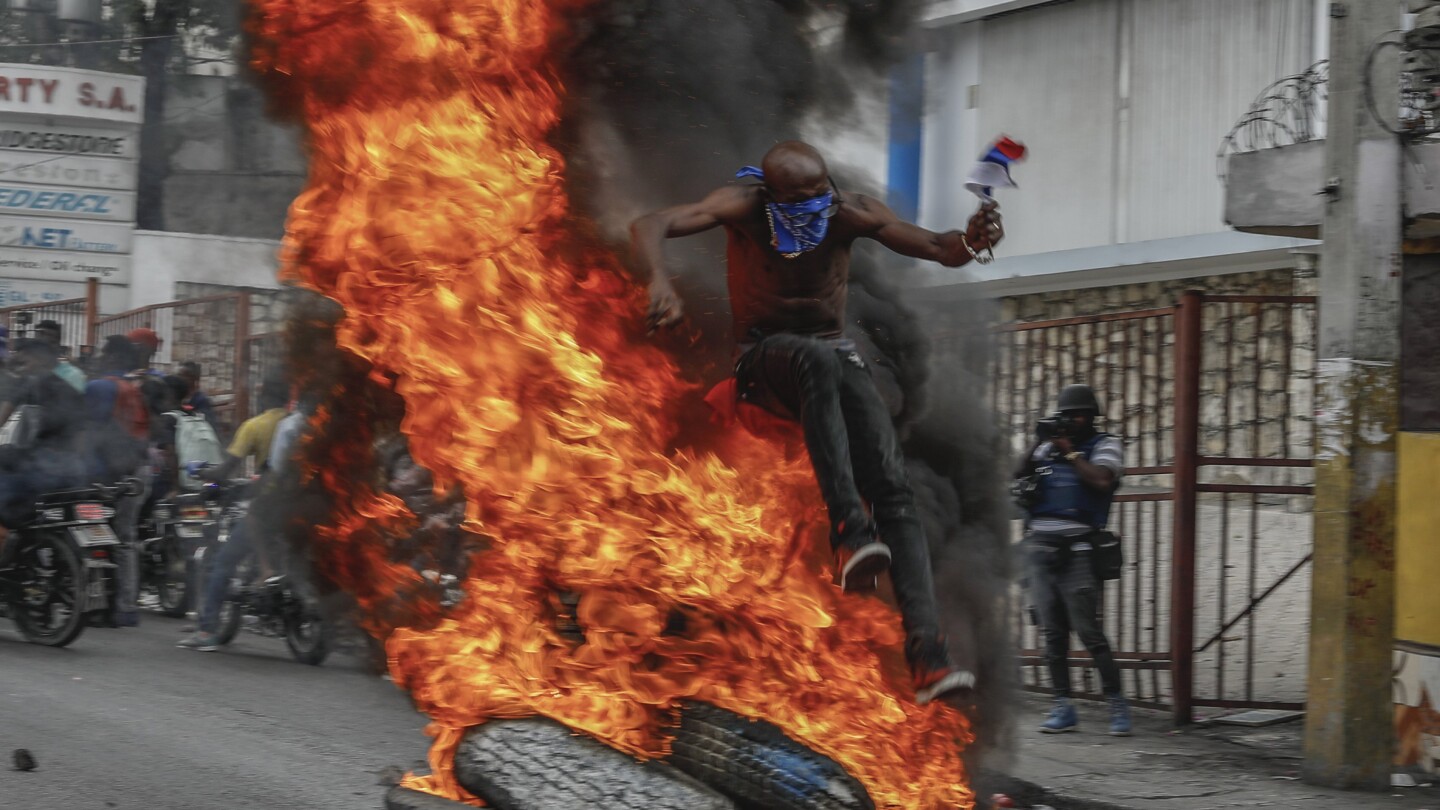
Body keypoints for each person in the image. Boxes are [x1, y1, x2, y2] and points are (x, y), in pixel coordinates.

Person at [630, 140, 1003, 706]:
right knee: (818, 357)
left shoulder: (847, 210)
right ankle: (850, 534)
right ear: (771, 195)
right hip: (764, 361)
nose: (814, 208)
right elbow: (652, 222)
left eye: (819, 196)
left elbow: (935, 245)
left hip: (831, 356)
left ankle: (928, 655)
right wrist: (660, 279)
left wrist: (970, 241)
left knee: (894, 488)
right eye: (799, 201)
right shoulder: (744, 205)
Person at [1014, 384, 1131, 736]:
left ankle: (1117, 705)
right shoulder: (1048, 447)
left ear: (1092, 416)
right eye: (1067, 415)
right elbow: (1014, 474)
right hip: (1040, 552)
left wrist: (1068, 453)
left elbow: (1101, 480)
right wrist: (1038, 443)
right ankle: (1062, 706)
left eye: (1078, 414)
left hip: (1079, 551)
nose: (1072, 420)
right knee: (1052, 635)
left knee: (1089, 633)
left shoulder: (1105, 445)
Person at [176, 380, 291, 651]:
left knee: (223, 561)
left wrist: (202, 472)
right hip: (299, 505)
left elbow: (226, 469)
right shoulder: (297, 424)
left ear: (261, 396)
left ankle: (206, 632)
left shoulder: (256, 426)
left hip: (269, 505)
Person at [84, 335, 154, 627]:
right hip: (138, 472)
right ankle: (125, 608)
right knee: (125, 540)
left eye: (103, 353)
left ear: (111, 357)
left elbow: (86, 431)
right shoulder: (135, 389)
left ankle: (94, 606)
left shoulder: (100, 387)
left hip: (107, 473)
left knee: (90, 536)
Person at [0, 340, 87, 553]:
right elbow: (83, 435)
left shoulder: (29, 383)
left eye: (25, 359)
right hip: (72, 469)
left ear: (39, 359)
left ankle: (6, 541)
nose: (22, 363)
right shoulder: (69, 388)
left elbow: (2, 417)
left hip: (42, 466)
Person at [34, 320, 85, 394]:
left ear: (57, 345)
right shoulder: (26, 372)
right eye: (40, 343)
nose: (45, 347)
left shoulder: (72, 375)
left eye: (50, 342)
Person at [177, 362, 216, 426]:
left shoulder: (201, 400)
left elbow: (206, 423)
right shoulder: (179, 397)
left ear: (192, 378)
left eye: (182, 375)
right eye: (178, 375)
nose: (178, 378)